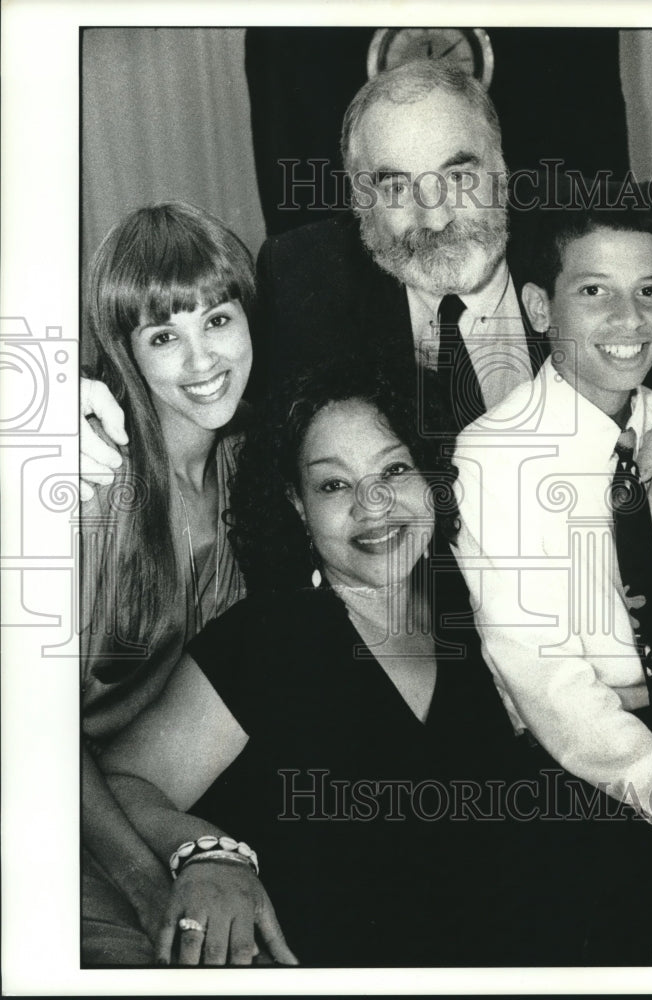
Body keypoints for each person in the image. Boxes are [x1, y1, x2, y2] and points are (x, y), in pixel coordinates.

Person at [79, 59, 652, 552]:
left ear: (504, 169)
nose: (434, 216)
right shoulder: (303, 277)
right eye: (395, 185)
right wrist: (64, 421)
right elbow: (205, 388)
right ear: (358, 200)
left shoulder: (602, 231)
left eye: (458, 176)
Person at [97, 360, 593, 967]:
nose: (373, 504)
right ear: (298, 507)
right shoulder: (265, 638)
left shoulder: (476, 612)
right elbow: (124, 781)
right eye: (333, 485)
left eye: (394, 468)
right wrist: (206, 853)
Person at [451, 202, 652, 960]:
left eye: (650, 290)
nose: (630, 317)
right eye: (595, 291)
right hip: (594, 766)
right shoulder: (494, 456)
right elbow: (549, 686)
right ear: (537, 305)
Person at [80, 202, 259, 965]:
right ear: (126, 354)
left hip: (151, 792)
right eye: (163, 336)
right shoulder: (93, 486)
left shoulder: (250, 465)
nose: (201, 362)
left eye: (217, 320)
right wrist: (147, 880)